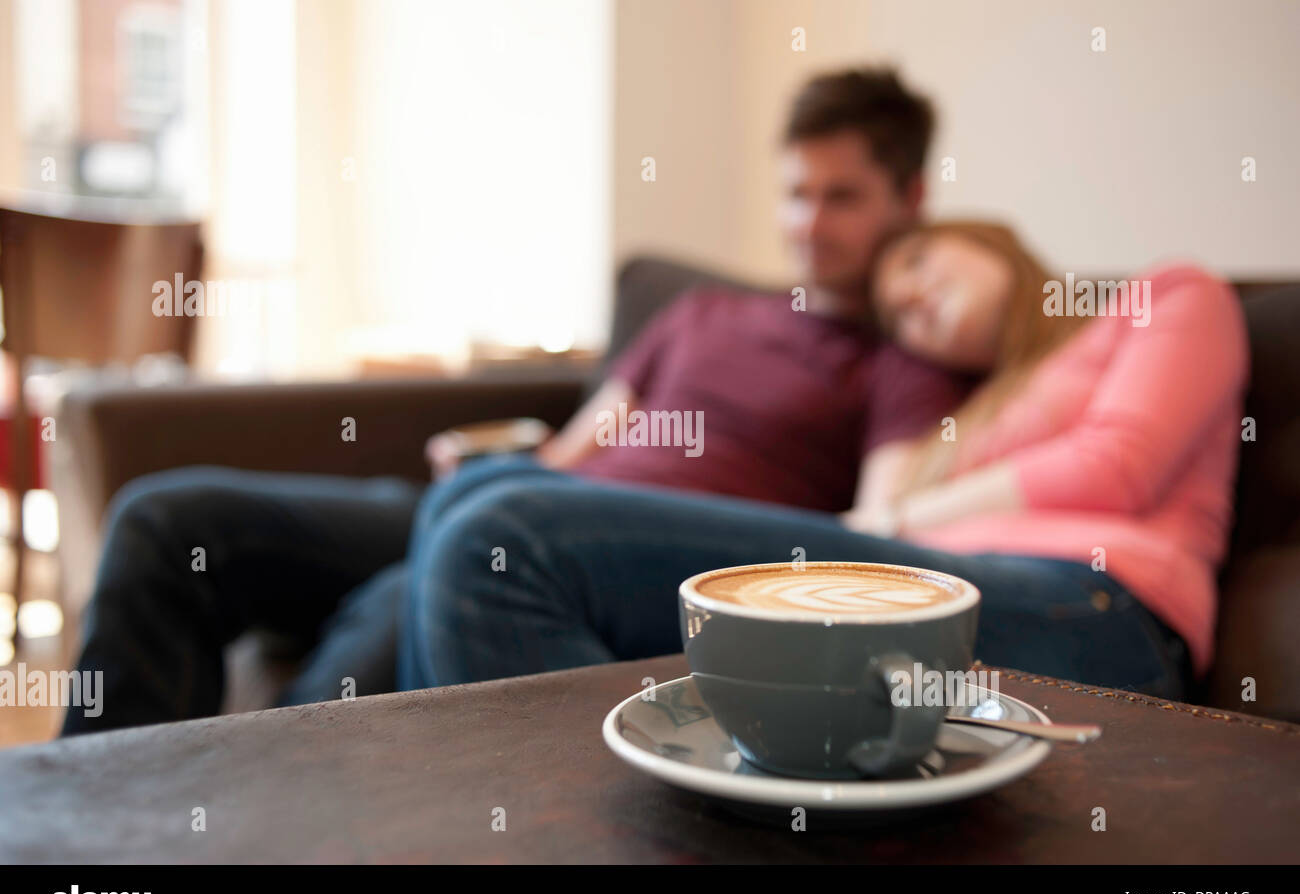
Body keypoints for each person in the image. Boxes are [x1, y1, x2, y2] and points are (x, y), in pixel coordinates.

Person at [62, 67, 970, 735]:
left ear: (912, 197)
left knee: (420, 582)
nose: (808, 224)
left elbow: (876, 529)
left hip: (578, 558)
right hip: (507, 501)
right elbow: (575, 452)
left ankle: (234, 807)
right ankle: (94, 828)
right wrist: (495, 460)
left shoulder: (901, 362)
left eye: (841, 198)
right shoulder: (702, 311)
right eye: (795, 195)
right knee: (162, 518)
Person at [393, 220, 1248, 702]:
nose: (909, 298)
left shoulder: (1168, 294)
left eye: (916, 259)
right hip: (947, 580)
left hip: (1095, 606)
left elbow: (1120, 462)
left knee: (505, 532)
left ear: (997, 240)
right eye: (897, 315)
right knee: (479, 490)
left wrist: (884, 523)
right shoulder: (968, 404)